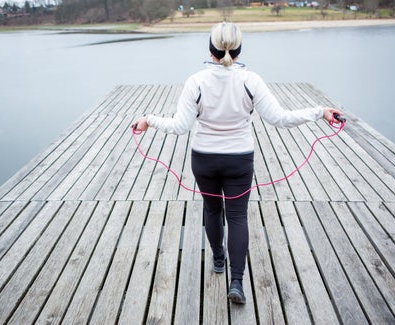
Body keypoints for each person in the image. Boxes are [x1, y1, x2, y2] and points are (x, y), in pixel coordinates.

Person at [132, 22, 343, 304]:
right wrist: (320, 112)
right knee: (237, 217)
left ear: (211, 48)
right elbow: (280, 118)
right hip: (239, 161)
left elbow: (180, 126)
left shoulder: (196, 81)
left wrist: (149, 120)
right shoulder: (251, 81)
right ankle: (237, 282)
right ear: (240, 49)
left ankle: (218, 260)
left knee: (212, 209)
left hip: (204, 160)